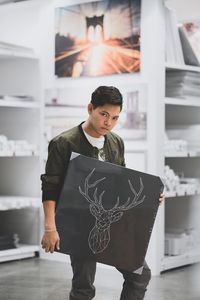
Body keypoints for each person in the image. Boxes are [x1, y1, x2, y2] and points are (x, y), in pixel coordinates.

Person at [41, 86, 165, 300]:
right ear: (91, 109)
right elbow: (50, 187)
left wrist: (150, 199)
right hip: (78, 226)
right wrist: (50, 228)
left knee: (140, 275)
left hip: (112, 225)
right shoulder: (63, 143)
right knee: (84, 288)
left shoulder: (116, 142)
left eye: (115, 118)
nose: (109, 123)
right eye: (104, 115)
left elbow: (122, 181)